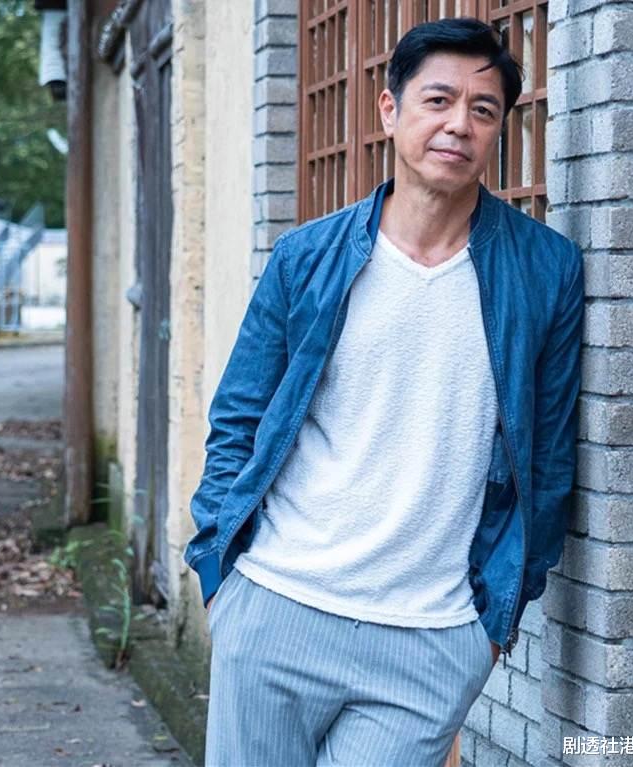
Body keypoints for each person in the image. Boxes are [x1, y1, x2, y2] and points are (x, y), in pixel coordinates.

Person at [184, 17, 585, 767]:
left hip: (432, 640)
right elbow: (238, 417)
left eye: (483, 109)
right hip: (277, 608)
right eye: (438, 100)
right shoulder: (307, 257)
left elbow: (549, 460)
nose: (458, 124)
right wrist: (219, 574)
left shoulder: (546, 270)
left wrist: (490, 628)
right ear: (390, 109)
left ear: (498, 128)